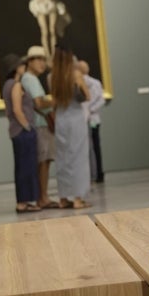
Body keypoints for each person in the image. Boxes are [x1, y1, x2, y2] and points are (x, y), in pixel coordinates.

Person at [51, 47, 91, 209]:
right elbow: (87, 96)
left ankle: (63, 197)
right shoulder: (76, 75)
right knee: (78, 157)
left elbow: (54, 101)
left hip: (60, 118)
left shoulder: (52, 77)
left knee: (62, 158)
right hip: (75, 118)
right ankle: (78, 197)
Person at [20, 46, 60, 209]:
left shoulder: (29, 78)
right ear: (30, 61)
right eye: (39, 59)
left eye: (44, 59)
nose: (42, 63)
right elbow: (39, 102)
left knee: (45, 161)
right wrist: (56, 101)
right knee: (43, 161)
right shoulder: (30, 79)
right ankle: (43, 197)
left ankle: (42, 196)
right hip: (40, 124)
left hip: (41, 124)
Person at [2, 54, 41, 213]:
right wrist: (27, 126)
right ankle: (23, 202)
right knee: (26, 166)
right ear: (15, 68)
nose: (23, 66)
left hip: (16, 131)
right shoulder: (16, 85)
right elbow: (17, 109)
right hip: (22, 131)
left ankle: (23, 201)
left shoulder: (7, 84)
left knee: (22, 166)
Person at [77, 60, 106, 183]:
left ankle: (97, 172)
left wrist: (90, 110)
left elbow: (100, 100)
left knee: (94, 146)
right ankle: (90, 173)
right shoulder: (79, 83)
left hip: (92, 119)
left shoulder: (94, 83)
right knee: (88, 147)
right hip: (83, 118)